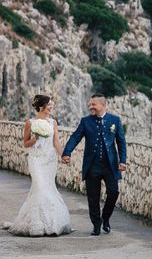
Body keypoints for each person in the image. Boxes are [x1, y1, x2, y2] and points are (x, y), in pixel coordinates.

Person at [4, 94, 72, 236]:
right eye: (50, 105)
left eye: (52, 105)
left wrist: (63, 155)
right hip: (36, 160)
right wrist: (35, 138)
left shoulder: (53, 123)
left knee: (49, 188)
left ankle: (52, 222)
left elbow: (56, 143)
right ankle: (37, 224)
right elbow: (25, 143)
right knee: (40, 187)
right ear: (41, 106)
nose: (52, 107)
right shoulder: (30, 122)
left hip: (50, 160)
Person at [61, 94, 127, 236]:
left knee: (114, 192)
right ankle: (96, 225)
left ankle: (106, 218)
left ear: (103, 105)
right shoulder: (85, 121)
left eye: (94, 105)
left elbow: (121, 142)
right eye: (90, 104)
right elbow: (75, 137)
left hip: (110, 165)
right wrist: (67, 152)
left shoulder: (115, 120)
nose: (90, 107)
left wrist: (123, 161)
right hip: (92, 166)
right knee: (93, 197)